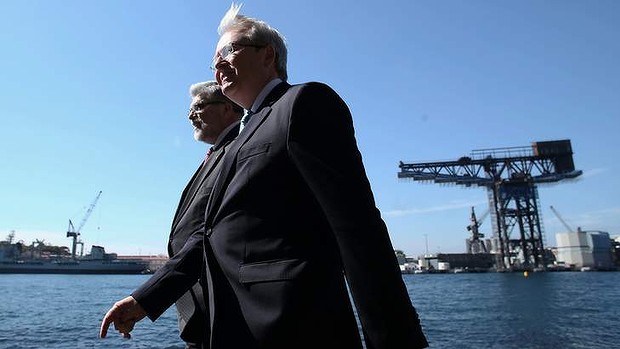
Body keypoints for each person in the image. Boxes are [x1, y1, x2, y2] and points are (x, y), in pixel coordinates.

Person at [201, 4, 429, 349]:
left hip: (297, 329)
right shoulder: (236, 138)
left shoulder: (304, 103)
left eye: (228, 52)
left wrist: (394, 339)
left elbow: (356, 226)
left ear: (267, 56)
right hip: (238, 329)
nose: (217, 66)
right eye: (212, 61)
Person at [99, 81, 242, 348]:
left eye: (198, 107)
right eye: (189, 110)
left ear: (228, 109)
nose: (190, 116)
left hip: (222, 316)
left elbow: (208, 237)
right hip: (204, 318)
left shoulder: (238, 153)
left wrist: (144, 300)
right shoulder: (217, 156)